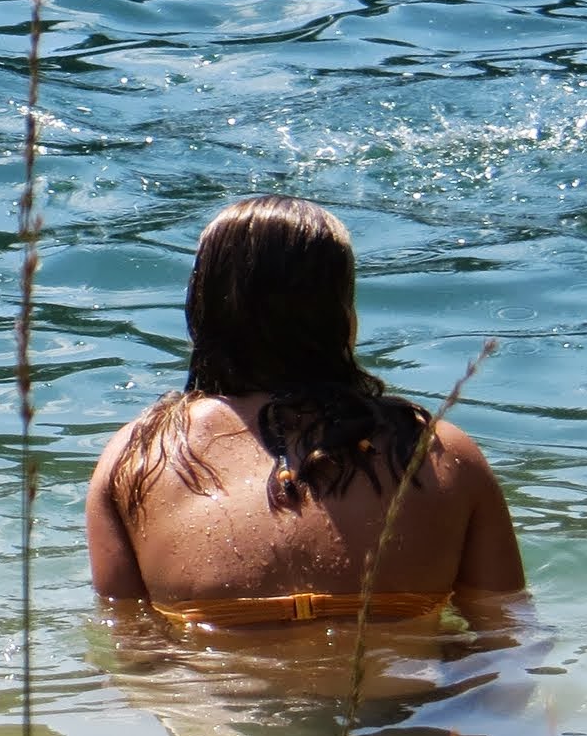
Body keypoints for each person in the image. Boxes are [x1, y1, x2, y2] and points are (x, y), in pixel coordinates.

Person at [85, 195, 525, 628]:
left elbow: (131, 643)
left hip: (213, 680)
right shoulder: (440, 454)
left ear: (202, 309)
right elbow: (506, 633)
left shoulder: (135, 459)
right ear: (340, 313)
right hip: (401, 680)